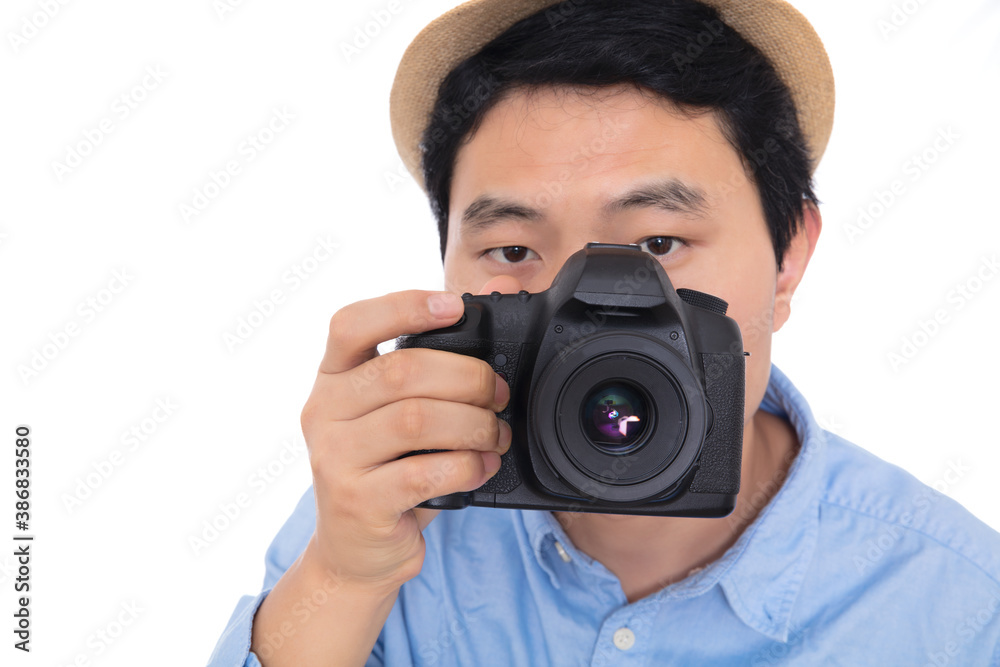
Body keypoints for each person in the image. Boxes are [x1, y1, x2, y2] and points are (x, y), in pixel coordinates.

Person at [209, 0, 1000, 664]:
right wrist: (341, 579)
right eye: (512, 250)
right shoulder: (383, 509)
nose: (586, 314)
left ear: (788, 256)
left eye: (659, 242)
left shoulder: (960, 605)